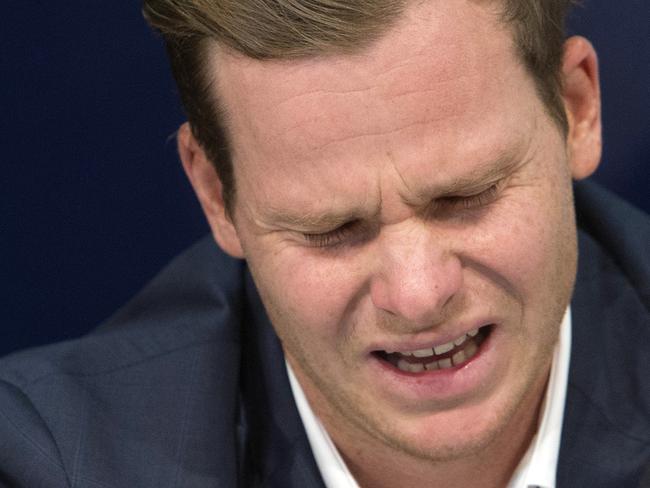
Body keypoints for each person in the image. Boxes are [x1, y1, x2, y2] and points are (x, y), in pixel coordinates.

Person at [0, 0, 648, 486]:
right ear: (216, 196)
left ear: (576, 109)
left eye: (464, 196)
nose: (418, 294)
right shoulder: (54, 460)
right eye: (331, 231)